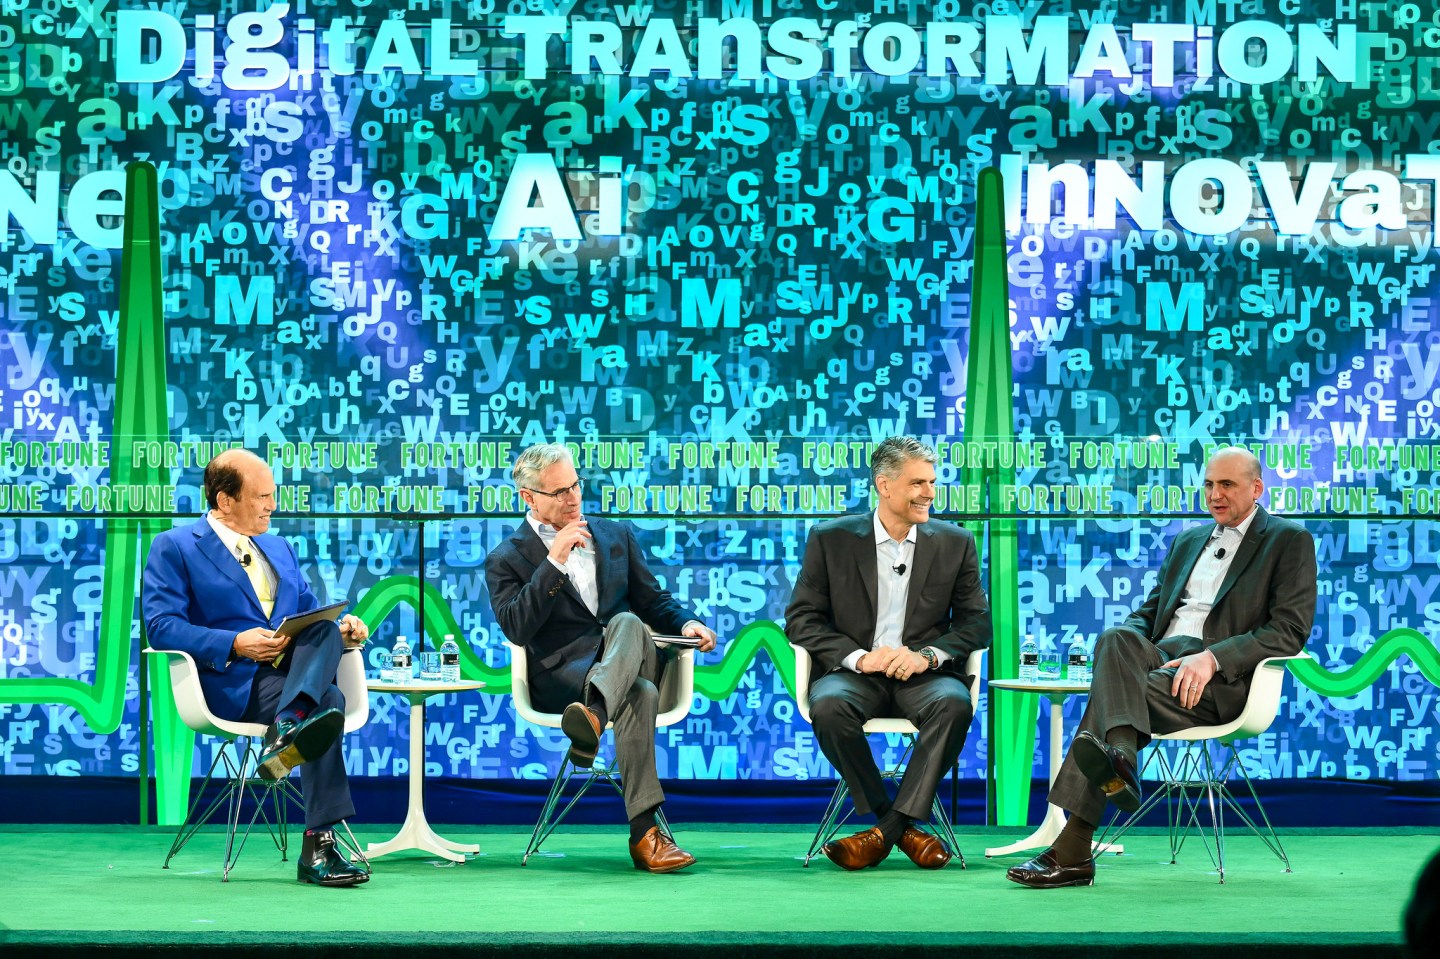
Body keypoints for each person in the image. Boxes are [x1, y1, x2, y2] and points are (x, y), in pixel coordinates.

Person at [1007, 446, 1317, 888]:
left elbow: (1290, 630)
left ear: (1256, 488)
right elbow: (1149, 614)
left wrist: (1213, 659)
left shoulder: (1288, 540)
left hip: (1216, 680)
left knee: (1114, 697)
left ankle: (1077, 840)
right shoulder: (1188, 540)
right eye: (1209, 484)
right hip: (1161, 657)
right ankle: (1121, 760)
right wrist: (1126, 642)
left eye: (1227, 485)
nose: (1215, 494)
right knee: (1115, 638)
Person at [143, 449, 372, 887]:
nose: (272, 505)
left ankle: (287, 728)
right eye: (262, 496)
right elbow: (160, 626)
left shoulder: (279, 547)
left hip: (289, 675)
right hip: (234, 683)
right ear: (225, 500)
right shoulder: (175, 546)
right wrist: (234, 642)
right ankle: (318, 847)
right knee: (330, 702)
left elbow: (308, 616)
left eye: (273, 495)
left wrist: (344, 630)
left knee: (325, 632)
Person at [485, 443, 717, 873]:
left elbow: (654, 599)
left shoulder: (615, 534)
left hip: (625, 657)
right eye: (559, 492)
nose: (573, 497)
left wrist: (687, 624)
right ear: (528, 497)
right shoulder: (505, 558)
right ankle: (645, 836)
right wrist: (553, 562)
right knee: (642, 693)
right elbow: (517, 626)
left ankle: (592, 718)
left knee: (628, 621)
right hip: (564, 678)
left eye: (575, 484)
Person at [785, 436, 991, 870]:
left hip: (924, 676)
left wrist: (929, 655)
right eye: (918, 483)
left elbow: (977, 623)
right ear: (884, 484)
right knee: (829, 706)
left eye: (932, 482)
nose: (930, 493)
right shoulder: (831, 539)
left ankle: (883, 832)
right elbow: (801, 619)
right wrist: (860, 658)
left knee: (954, 705)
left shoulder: (955, 542)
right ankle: (898, 825)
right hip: (856, 674)